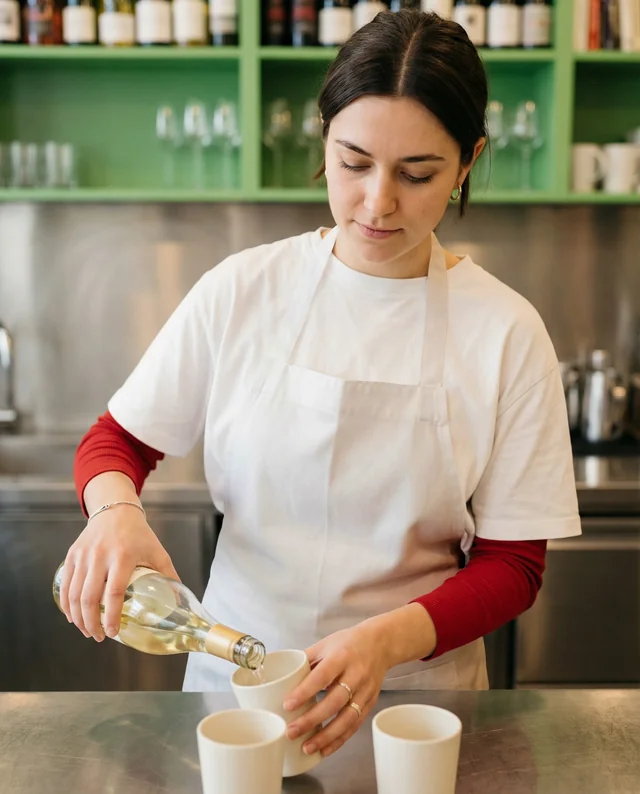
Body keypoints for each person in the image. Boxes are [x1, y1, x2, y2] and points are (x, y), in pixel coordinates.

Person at [62, 9, 580, 760]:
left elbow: (515, 565)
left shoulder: (505, 330)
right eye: (354, 161)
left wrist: (382, 643)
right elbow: (117, 441)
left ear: (468, 162)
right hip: (236, 688)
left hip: (414, 704)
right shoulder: (244, 289)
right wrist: (113, 512)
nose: (377, 203)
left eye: (418, 173)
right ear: (324, 138)